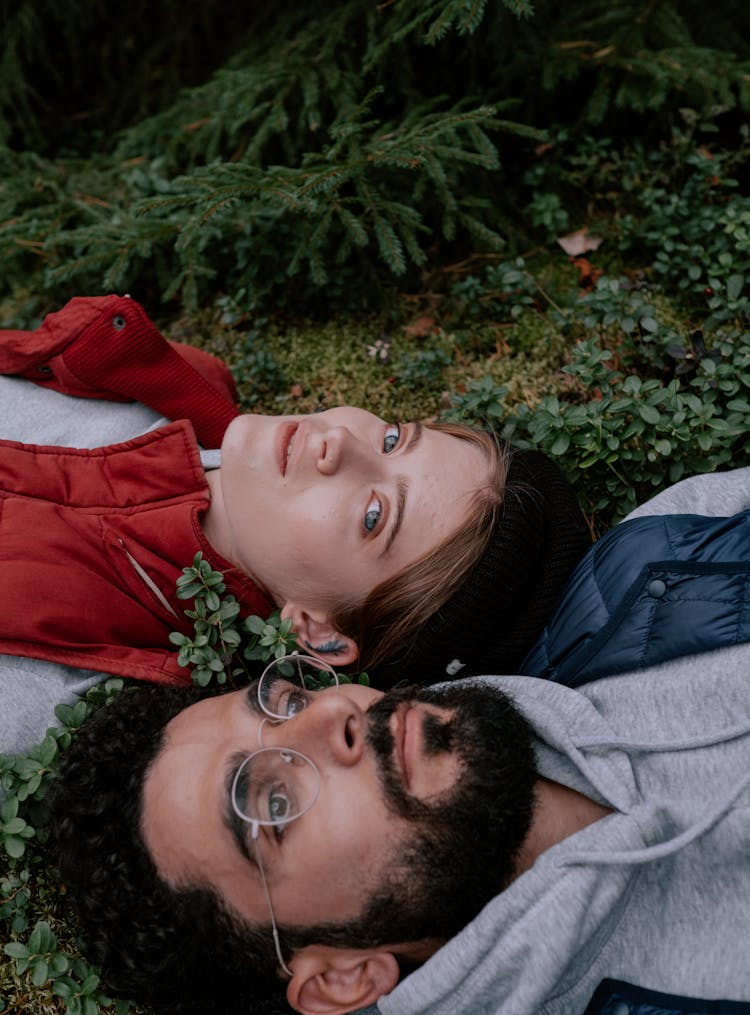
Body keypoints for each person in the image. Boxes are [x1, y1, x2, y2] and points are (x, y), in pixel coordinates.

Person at [50, 637, 750, 1015]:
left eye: (286, 701)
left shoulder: (655, 567)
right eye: (273, 802)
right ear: (341, 979)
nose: (333, 711)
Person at [0, 293, 592, 752]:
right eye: (391, 439)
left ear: (319, 633)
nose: (340, 441)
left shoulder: (58, 682)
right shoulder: (162, 379)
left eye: (373, 515)